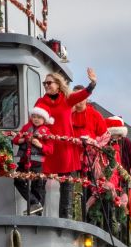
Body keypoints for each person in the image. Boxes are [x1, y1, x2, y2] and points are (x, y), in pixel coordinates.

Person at [33, 67, 97, 219]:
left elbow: (84, 94)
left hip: (65, 149)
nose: (46, 85)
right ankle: (37, 214)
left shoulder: (67, 99)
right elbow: (34, 120)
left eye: (49, 83)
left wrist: (93, 83)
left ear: (58, 84)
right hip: (47, 147)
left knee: (67, 185)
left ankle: (66, 217)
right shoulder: (41, 102)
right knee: (39, 181)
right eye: (44, 83)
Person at [13, 106, 54, 215]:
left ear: (44, 119)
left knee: (37, 187)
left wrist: (40, 145)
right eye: (34, 116)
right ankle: (34, 203)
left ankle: (37, 213)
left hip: (37, 162)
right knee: (18, 180)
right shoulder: (26, 127)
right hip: (24, 161)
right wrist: (24, 139)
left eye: (39, 117)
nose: (36, 119)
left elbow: (50, 150)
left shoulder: (47, 132)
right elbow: (15, 140)